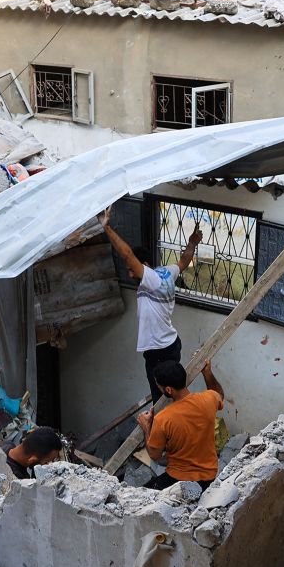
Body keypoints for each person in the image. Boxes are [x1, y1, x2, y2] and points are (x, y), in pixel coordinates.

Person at [100, 208, 203, 402]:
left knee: (161, 399)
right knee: (172, 392)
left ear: (144, 265)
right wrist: (192, 242)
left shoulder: (151, 278)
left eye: (132, 270)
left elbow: (127, 254)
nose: (130, 274)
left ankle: (163, 427)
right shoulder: (166, 272)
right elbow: (184, 260)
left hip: (158, 351)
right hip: (171, 344)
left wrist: (107, 227)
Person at [138, 360, 224, 491]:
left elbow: (155, 455)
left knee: (141, 496)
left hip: (179, 479)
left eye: (158, 386)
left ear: (168, 389)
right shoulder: (209, 399)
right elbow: (220, 395)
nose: (158, 388)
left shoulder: (163, 419)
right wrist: (207, 373)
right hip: (209, 476)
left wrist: (146, 427)